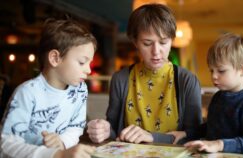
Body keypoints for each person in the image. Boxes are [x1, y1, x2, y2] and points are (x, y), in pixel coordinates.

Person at [87, 3, 202, 144]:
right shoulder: (121, 79)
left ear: (172, 41)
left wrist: (152, 137)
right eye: (147, 43)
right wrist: (104, 130)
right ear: (135, 42)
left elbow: (196, 134)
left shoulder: (187, 80)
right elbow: (114, 130)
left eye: (163, 42)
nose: (156, 51)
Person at [0, 19, 97, 158]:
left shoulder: (80, 90)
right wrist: (55, 154)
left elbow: (76, 127)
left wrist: (62, 143)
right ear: (55, 58)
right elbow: (6, 145)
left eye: (90, 63)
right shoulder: (27, 93)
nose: (88, 70)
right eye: (82, 62)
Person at [184, 33, 243, 154]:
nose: (214, 76)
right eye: (211, 70)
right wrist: (186, 133)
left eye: (221, 71)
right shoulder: (218, 97)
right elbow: (210, 128)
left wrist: (219, 144)